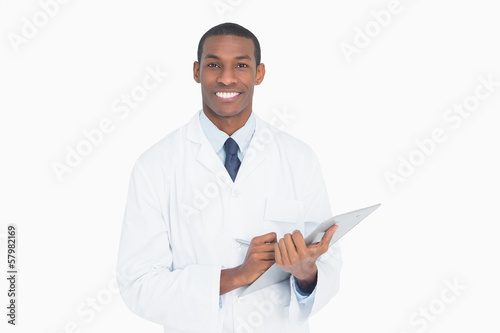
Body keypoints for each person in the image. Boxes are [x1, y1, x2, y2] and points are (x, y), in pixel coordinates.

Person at [117, 22, 342, 333]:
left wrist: (306, 274)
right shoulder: (155, 166)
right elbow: (138, 286)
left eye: (240, 65)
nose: (226, 77)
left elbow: (329, 267)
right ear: (196, 71)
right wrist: (236, 275)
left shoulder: (299, 159)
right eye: (213, 65)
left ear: (259, 73)